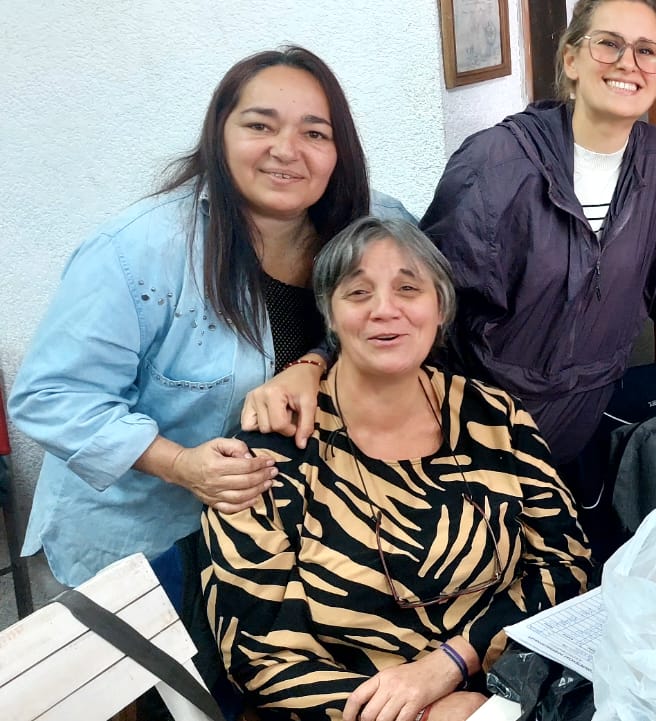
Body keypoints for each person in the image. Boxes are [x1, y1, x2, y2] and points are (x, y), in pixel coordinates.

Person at [241, 0, 656, 558]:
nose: (628, 62)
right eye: (608, 44)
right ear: (571, 59)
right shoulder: (496, 164)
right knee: (495, 569)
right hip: (486, 426)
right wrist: (320, 363)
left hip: (587, 409)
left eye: (646, 50)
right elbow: (426, 304)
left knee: (587, 554)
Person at [9, 47, 410, 703]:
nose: (287, 150)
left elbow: (406, 319)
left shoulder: (372, 225)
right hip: (146, 540)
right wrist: (181, 464)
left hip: (281, 536)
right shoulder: (138, 249)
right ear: (219, 133)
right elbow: (50, 396)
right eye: (260, 125)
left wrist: (314, 362)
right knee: (168, 700)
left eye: (315, 132)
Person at [203, 217, 593, 721]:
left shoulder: (495, 415)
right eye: (358, 292)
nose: (385, 309)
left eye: (408, 288)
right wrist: (424, 714)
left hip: (516, 689)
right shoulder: (269, 457)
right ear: (330, 315)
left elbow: (566, 564)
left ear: (440, 307)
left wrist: (450, 664)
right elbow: (259, 657)